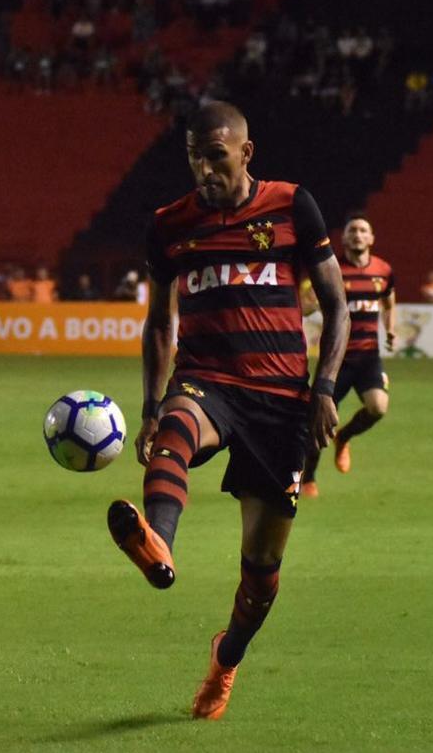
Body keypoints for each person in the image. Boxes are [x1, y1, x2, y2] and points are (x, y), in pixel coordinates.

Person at [105, 101, 348, 720]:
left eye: (216, 156)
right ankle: (158, 541)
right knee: (176, 430)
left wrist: (324, 389)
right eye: (194, 157)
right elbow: (161, 321)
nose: (204, 169)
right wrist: (152, 402)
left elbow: (336, 305)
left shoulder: (293, 206)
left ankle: (226, 657)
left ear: (245, 152)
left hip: (282, 401)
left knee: (262, 574)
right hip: (208, 378)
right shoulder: (169, 224)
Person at [300, 212, 395, 497]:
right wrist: (309, 301)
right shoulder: (332, 270)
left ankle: (345, 437)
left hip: (368, 357)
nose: (357, 235)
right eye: (352, 230)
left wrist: (390, 329)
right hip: (337, 359)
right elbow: (306, 307)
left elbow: (389, 300)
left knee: (378, 407)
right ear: (343, 238)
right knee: (318, 421)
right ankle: (309, 479)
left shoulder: (383, 270)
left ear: (371, 238)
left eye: (363, 230)